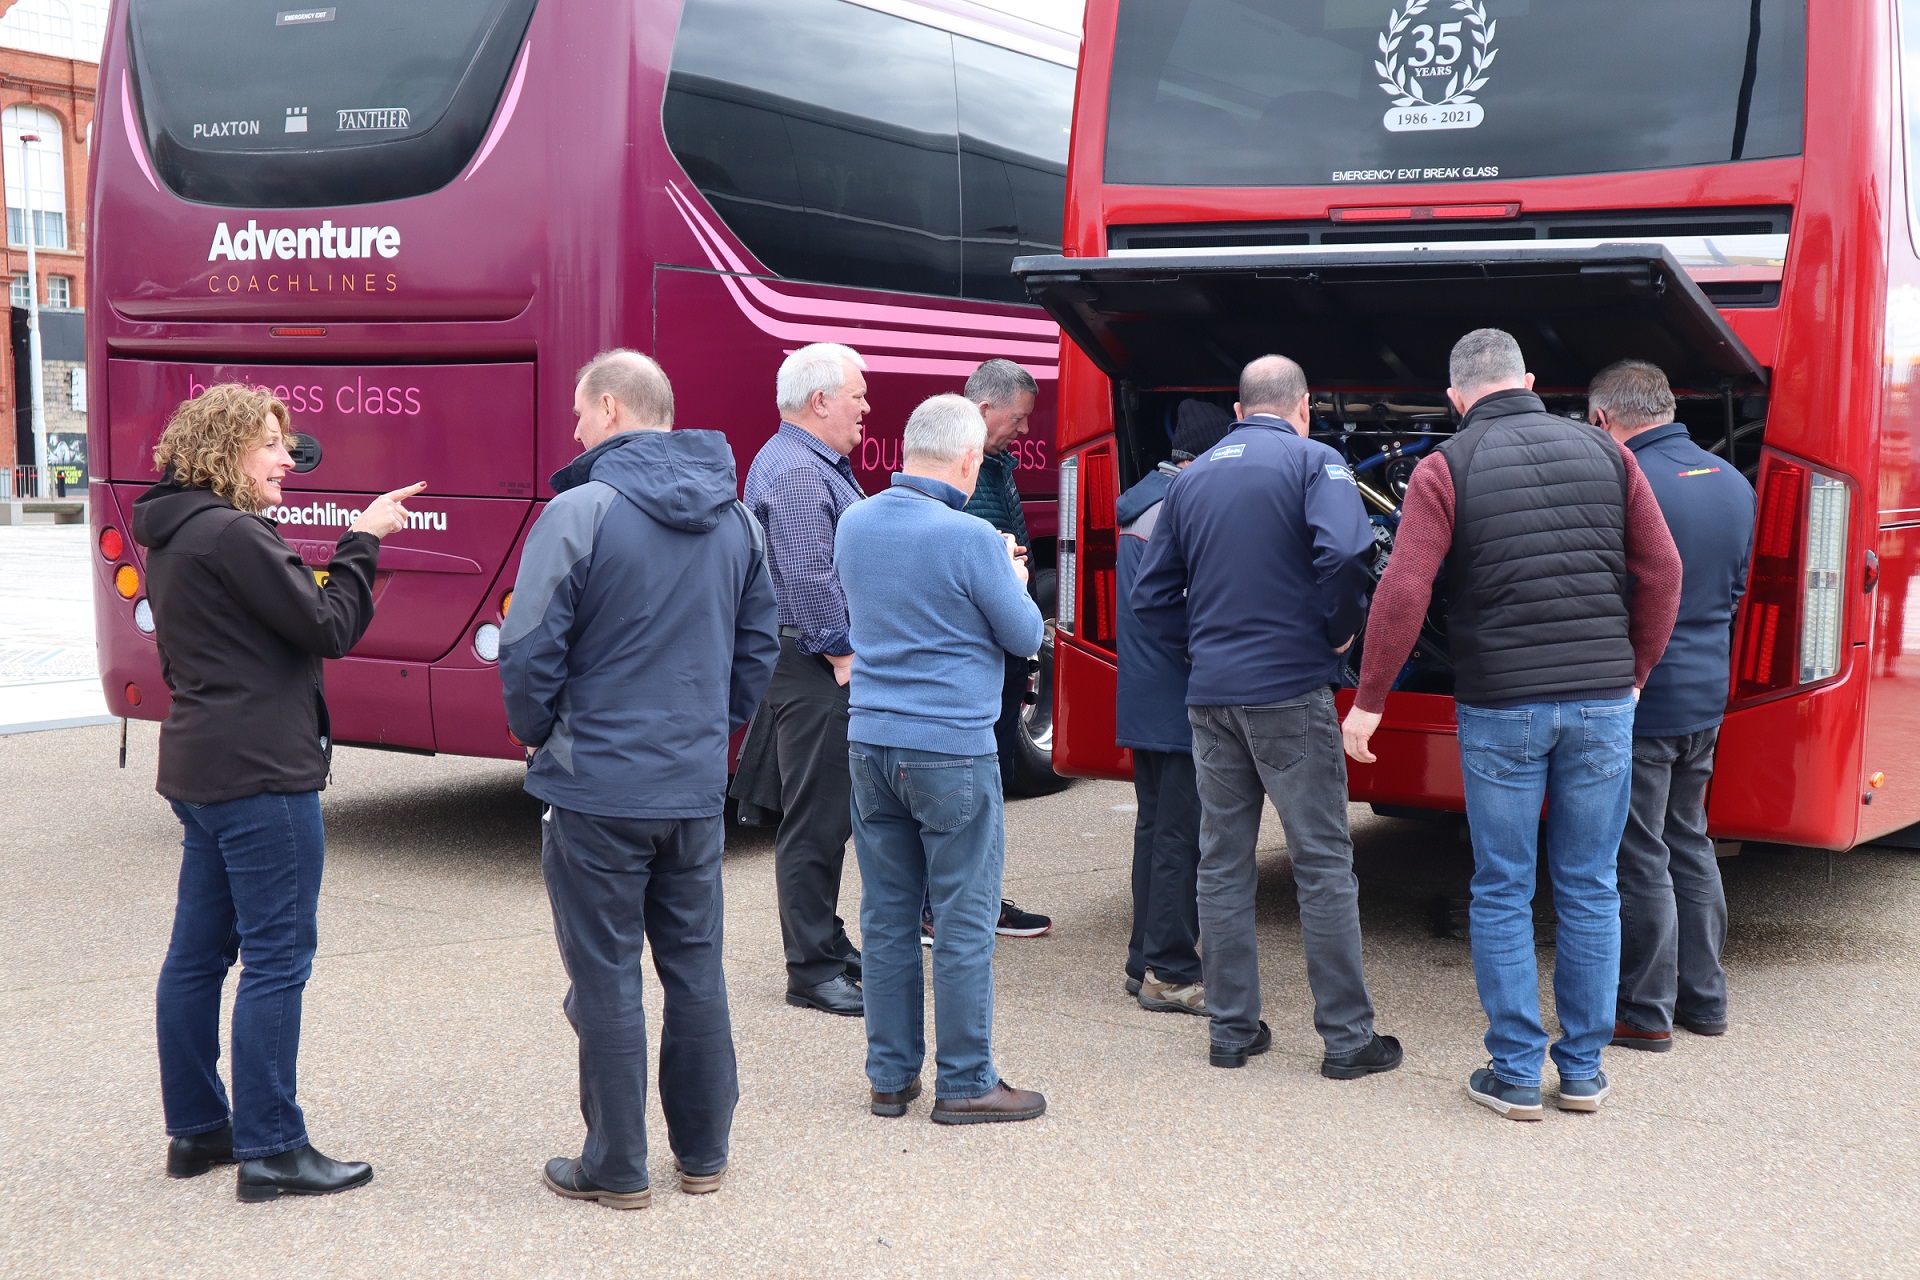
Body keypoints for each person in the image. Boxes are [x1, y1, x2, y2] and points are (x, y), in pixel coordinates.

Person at [1342, 329, 1683, 1121]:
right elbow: (1662, 571)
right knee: (1591, 884)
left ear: (1456, 396)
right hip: (1602, 701)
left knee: (1502, 886)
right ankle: (1586, 1071)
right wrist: (1634, 673)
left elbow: (1403, 591)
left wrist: (1370, 700)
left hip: (1502, 706)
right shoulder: (1608, 454)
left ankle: (1517, 1073)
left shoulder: (1444, 467)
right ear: (1528, 379)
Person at [500, 350, 778, 1208]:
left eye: (582, 415)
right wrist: (706, 735)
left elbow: (528, 647)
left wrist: (543, 734)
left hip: (596, 789)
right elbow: (758, 647)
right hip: (691, 789)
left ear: (613, 408)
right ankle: (704, 1154)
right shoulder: (738, 519)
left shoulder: (581, 511)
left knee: (608, 976)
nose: (576, 431)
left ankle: (616, 1167)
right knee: (696, 970)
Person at [135, 382, 420, 1201]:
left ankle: (198, 1132)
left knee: (197, 956)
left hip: (201, 767)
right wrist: (362, 539)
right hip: (261, 774)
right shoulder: (233, 535)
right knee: (276, 960)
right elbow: (329, 626)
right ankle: (271, 1148)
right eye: (269, 444)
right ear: (225, 451)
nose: (286, 460)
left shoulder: (175, 532)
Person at [1132, 356, 1403, 1079]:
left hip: (1211, 696)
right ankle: (1347, 1041)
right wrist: (1338, 632)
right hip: (1289, 689)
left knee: (1221, 863)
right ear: (1304, 405)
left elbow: (1152, 598)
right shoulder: (1317, 462)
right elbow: (1348, 550)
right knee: (1321, 863)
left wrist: (1203, 650)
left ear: (1240, 407)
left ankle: (1231, 1029)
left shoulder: (1190, 480)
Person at [835, 393, 1048, 1123]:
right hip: (951, 747)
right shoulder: (971, 538)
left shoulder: (855, 521)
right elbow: (1024, 636)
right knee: (962, 916)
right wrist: (1012, 577)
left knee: (887, 917)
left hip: (870, 740)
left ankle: (890, 1078)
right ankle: (966, 1082)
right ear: (966, 459)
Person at [1587, 360, 1755, 1052]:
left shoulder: (1628, 482)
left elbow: (1611, 594)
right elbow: (1737, 588)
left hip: (1643, 695)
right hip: (1705, 696)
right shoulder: (1734, 482)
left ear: (1604, 419)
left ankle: (1646, 1012)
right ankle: (1705, 999)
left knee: (1640, 852)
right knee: (1690, 840)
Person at [744, 342, 870, 1017]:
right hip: (816, 663)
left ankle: (827, 940)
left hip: (807, 659)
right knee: (815, 823)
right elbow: (811, 576)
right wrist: (843, 653)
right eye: (858, 395)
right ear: (820, 401)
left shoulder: (806, 461)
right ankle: (811, 969)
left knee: (826, 816)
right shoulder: (798, 471)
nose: (866, 408)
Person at [1115, 401, 1234, 1014]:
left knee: (1155, 829)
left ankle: (1143, 959)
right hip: (1179, 695)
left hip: (1143, 692)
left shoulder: (1143, 500)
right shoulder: (1179, 508)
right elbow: (1177, 610)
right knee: (1181, 838)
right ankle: (1173, 971)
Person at [956, 357, 1051, 941]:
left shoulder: (994, 466)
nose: (1025, 431)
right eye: (1017, 419)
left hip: (1002, 657)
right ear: (984, 409)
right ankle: (953, 908)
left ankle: (981, 898)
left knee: (990, 784)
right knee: (970, 788)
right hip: (981, 658)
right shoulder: (963, 477)